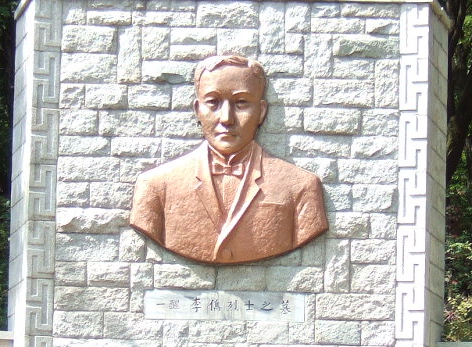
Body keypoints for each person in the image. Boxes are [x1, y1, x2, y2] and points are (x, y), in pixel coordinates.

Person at [129, 53, 328, 265]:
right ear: (197, 110)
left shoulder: (301, 188)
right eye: (213, 102)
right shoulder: (155, 187)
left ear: (261, 111)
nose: (226, 118)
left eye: (241, 103)